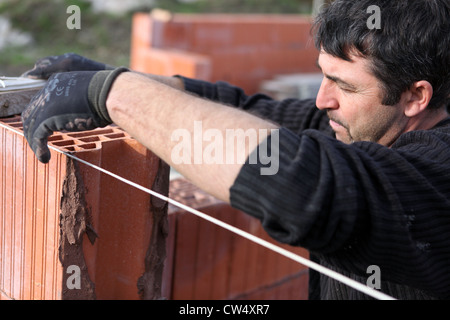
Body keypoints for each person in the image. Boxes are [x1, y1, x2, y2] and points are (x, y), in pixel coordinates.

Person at [21, 0, 449, 300]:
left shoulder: (437, 173)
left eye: (345, 85)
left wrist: (115, 95)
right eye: (323, 75)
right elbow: (250, 110)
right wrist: (128, 77)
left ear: (416, 96)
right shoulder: (366, 123)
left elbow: (298, 187)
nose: (323, 99)